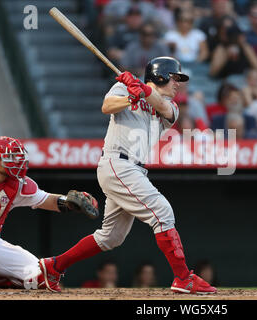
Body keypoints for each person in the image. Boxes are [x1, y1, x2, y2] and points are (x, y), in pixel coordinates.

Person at [38, 57, 217, 295]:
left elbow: (162, 108)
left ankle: (53, 266)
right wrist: (131, 96)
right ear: (160, 76)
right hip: (118, 163)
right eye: (175, 78)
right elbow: (107, 107)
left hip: (134, 169)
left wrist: (142, 91)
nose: (178, 84)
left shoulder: (170, 106)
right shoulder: (124, 87)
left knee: (110, 238)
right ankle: (183, 278)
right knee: (162, 212)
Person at [0, 136, 99, 289]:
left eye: (18, 157)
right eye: (10, 158)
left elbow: (46, 199)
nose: (17, 162)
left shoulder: (17, 185)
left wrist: (69, 201)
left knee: (39, 276)